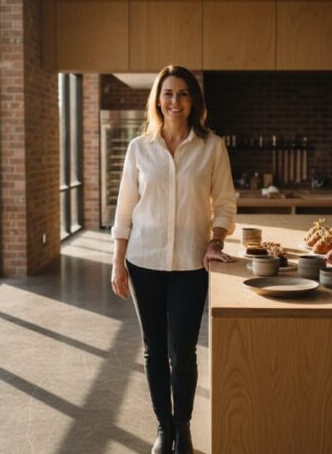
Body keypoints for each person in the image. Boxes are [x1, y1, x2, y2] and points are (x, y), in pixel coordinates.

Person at [110, 65, 237, 454]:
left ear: (193, 100)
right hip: (143, 260)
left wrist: (215, 240)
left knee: (182, 351)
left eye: (183, 93)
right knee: (154, 350)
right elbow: (125, 208)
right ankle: (164, 428)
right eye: (168, 93)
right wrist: (117, 260)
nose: (175, 101)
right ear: (158, 99)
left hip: (190, 264)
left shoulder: (212, 147)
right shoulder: (139, 148)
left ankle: (183, 427)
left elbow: (225, 203)